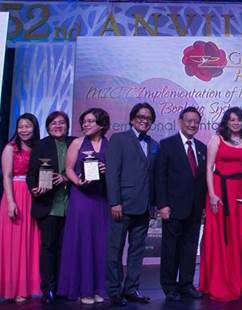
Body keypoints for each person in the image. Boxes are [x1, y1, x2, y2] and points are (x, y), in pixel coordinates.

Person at [106, 103, 159, 306]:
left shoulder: (154, 144)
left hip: (144, 207)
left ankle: (131, 288)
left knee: (137, 250)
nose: (144, 120)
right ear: (131, 119)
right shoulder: (119, 139)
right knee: (115, 250)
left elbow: (153, 177)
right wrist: (115, 202)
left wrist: (153, 204)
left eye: (148, 118)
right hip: (122, 205)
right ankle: (114, 290)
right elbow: (112, 173)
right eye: (140, 116)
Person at [57, 108, 110, 304]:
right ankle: (82, 289)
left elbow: (114, 171)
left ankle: (97, 287)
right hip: (81, 198)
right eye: (84, 121)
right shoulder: (77, 143)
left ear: (102, 125)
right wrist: (77, 182)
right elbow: (68, 169)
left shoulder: (109, 145)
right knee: (82, 241)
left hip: (101, 198)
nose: (85, 125)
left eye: (90, 121)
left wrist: (107, 169)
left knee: (100, 242)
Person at [199, 107, 242, 302]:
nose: (236, 123)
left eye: (239, 120)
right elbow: (208, 168)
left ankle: (241, 282)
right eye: (232, 120)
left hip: (240, 195)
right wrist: (212, 194)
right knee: (221, 237)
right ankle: (219, 283)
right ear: (226, 122)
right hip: (220, 192)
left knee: (239, 237)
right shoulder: (216, 140)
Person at [155, 107, 206, 302]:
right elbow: (160, 177)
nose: (192, 125)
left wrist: (203, 208)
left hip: (195, 209)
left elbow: (202, 181)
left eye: (196, 122)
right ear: (180, 121)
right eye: (189, 121)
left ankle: (186, 284)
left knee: (190, 248)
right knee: (171, 249)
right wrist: (163, 205)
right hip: (173, 208)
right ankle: (169, 286)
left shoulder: (202, 148)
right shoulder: (167, 145)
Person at [27, 111, 75, 304]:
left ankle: (63, 286)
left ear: (67, 125)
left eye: (62, 123)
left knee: (66, 248)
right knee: (49, 246)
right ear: (47, 126)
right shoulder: (41, 145)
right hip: (48, 204)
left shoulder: (75, 143)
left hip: (71, 204)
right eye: (53, 123)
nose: (58, 126)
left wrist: (65, 178)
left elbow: (81, 169)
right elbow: (31, 174)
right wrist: (34, 189)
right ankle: (48, 288)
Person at [0, 113, 41, 303]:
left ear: (34, 128)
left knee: (30, 241)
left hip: (32, 196)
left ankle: (26, 287)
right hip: (15, 195)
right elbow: (7, 176)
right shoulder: (10, 149)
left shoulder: (37, 148)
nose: (24, 130)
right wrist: (10, 202)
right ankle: (12, 288)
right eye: (21, 127)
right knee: (14, 243)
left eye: (28, 126)